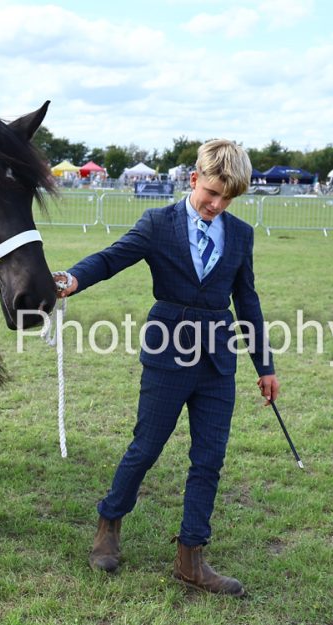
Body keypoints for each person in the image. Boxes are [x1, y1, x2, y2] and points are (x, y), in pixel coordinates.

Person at [53, 139, 279, 596]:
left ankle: (191, 557)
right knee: (146, 447)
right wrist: (73, 279)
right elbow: (112, 257)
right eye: (211, 193)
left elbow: (247, 301)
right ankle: (109, 522)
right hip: (167, 353)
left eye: (227, 198)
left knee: (209, 459)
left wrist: (265, 365)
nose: (217, 205)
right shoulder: (158, 223)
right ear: (194, 179)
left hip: (217, 362)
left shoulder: (240, 235)